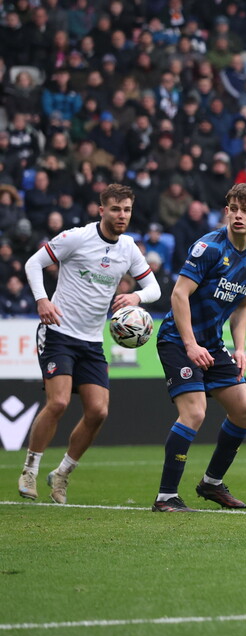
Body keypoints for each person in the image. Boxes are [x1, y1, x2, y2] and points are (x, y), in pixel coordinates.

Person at [18, 184, 161, 504]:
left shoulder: (128, 247)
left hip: (92, 340)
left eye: (126, 210)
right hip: (58, 333)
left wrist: (136, 296)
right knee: (58, 403)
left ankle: (62, 473)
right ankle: (30, 468)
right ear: (101, 210)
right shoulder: (76, 237)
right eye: (115, 209)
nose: (121, 215)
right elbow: (32, 264)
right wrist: (42, 300)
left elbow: (154, 289)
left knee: (98, 411)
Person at [151, 184, 246, 512]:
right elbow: (179, 295)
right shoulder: (208, 248)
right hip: (178, 339)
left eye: (245, 210)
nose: (237, 215)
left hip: (213, 344)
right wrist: (190, 345)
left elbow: (243, 305)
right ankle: (166, 497)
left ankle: (211, 483)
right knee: (194, 413)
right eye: (232, 208)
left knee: (245, 412)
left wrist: (239, 347)